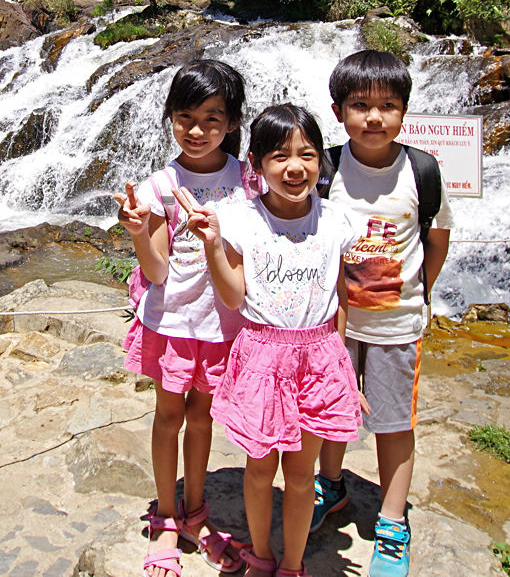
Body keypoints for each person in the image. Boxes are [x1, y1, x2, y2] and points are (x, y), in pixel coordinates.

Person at [181, 104, 362, 577]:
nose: (295, 167)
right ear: (257, 164)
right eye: (280, 156)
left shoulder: (337, 220)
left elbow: (340, 297)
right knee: (260, 471)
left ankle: (294, 563)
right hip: (263, 357)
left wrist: (342, 366)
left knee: (302, 477)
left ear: (321, 160)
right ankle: (261, 556)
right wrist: (213, 246)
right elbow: (233, 295)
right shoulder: (240, 219)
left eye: (307, 154)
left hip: (320, 359)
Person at [310, 50, 453, 577]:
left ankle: (393, 522)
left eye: (387, 106)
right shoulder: (326, 167)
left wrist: (419, 293)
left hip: (397, 325)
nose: (374, 117)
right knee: (330, 415)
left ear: (405, 111)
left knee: (395, 422)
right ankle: (331, 487)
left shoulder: (421, 170)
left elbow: (436, 240)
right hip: (333, 324)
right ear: (337, 110)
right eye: (360, 105)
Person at [113, 60, 250, 577]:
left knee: (202, 417)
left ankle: (197, 512)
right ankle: (166, 516)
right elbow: (157, 268)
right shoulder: (158, 187)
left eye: (213, 118)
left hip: (221, 324)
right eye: (186, 116)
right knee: (169, 416)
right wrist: (136, 230)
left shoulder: (248, 180)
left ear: (233, 123)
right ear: (170, 117)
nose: (198, 130)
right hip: (172, 323)